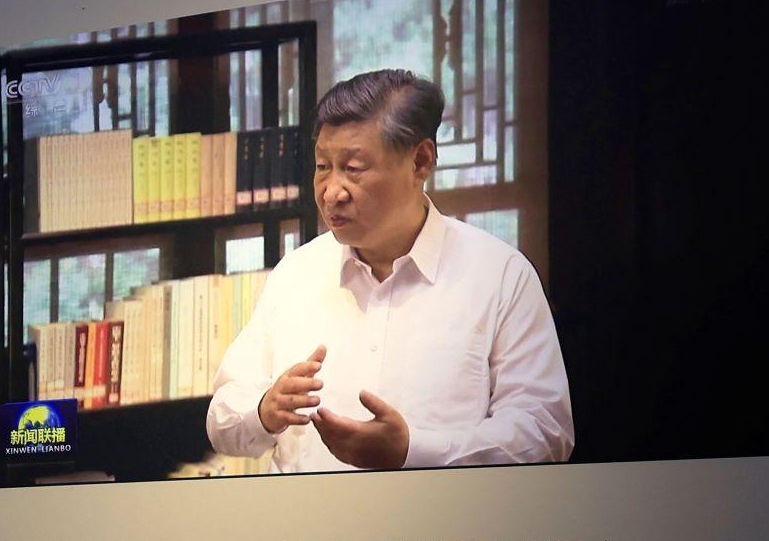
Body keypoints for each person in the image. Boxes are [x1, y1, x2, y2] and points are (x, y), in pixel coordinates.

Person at [206, 68, 573, 472]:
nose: (331, 192)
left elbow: (544, 433)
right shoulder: (295, 275)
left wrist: (413, 451)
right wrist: (263, 410)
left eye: (353, 168)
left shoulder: (500, 275)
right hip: (306, 514)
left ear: (420, 161)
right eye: (323, 166)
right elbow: (222, 417)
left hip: (442, 514)